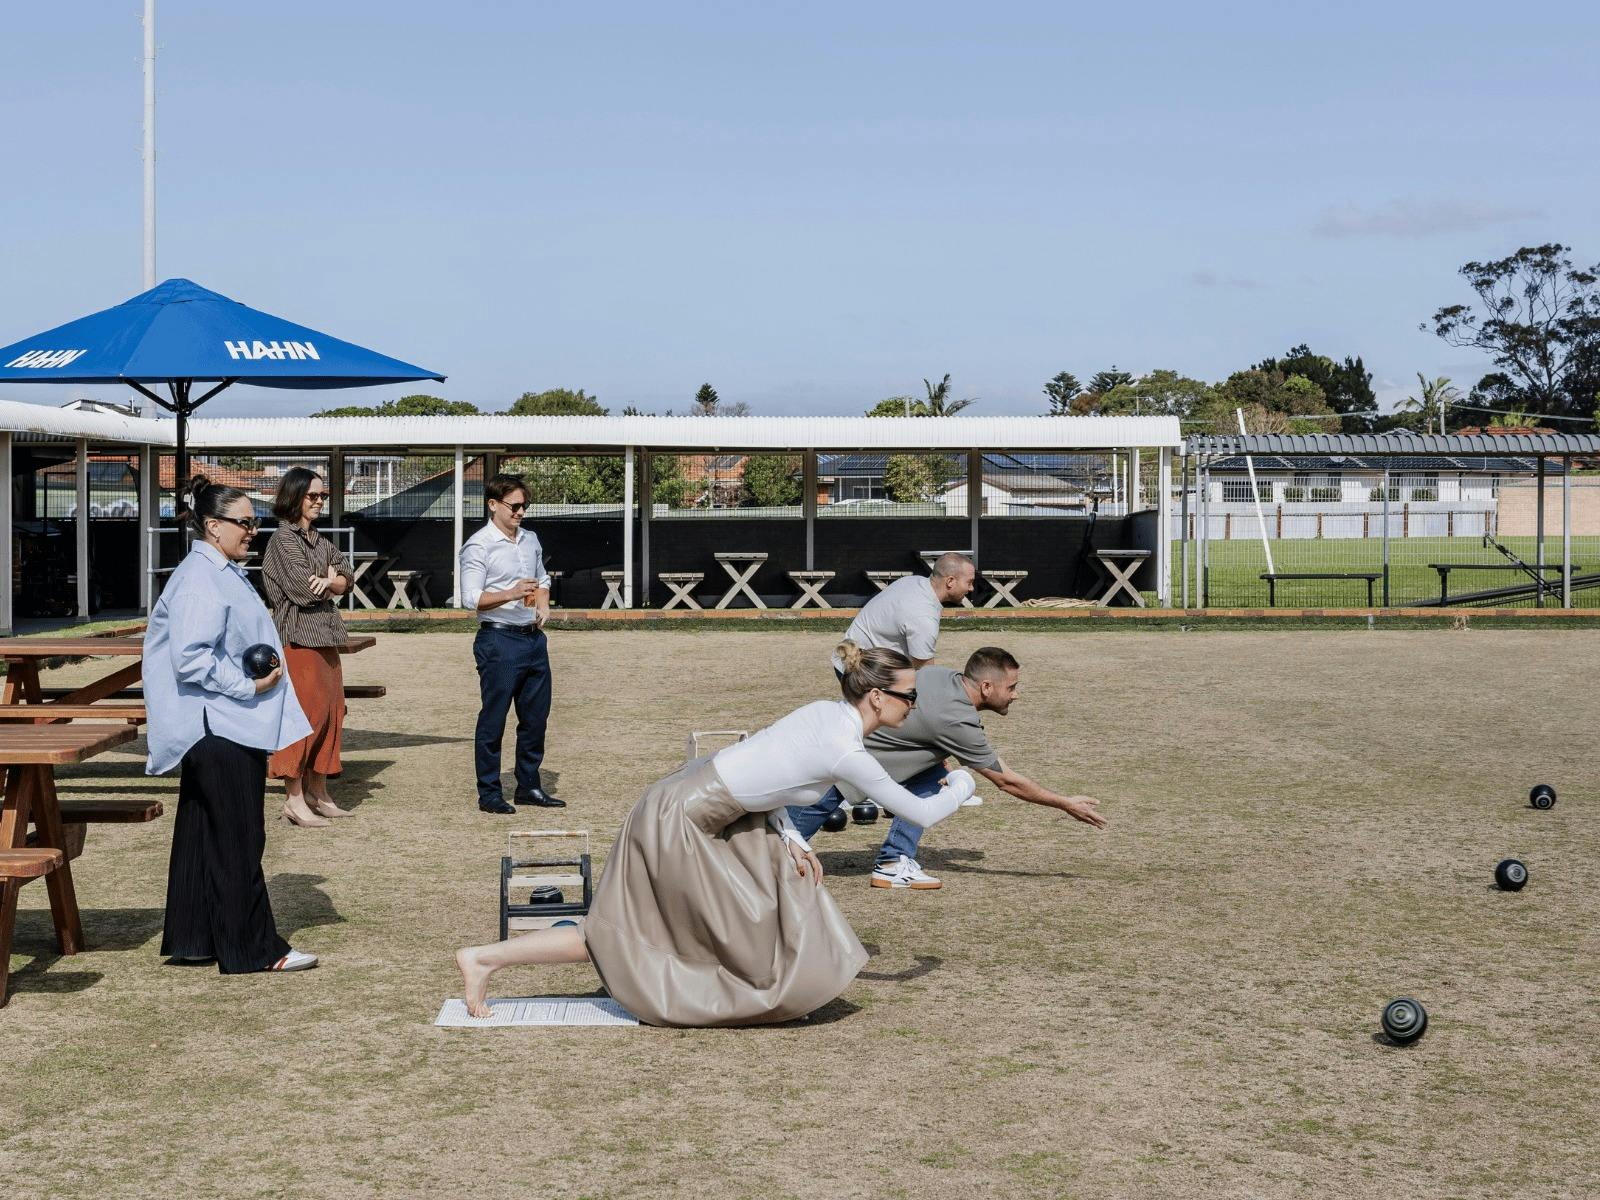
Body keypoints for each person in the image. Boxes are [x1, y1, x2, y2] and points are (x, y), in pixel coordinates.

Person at [454, 641, 977, 1026]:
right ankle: (484, 959)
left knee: (755, 899)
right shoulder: (844, 747)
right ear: (877, 698)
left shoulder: (827, 716)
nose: (915, 706)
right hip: (680, 818)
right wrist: (961, 782)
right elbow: (918, 812)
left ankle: (770, 991)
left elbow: (766, 776)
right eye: (910, 697)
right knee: (623, 933)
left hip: (705, 808)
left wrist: (794, 840)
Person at [143, 474, 319, 973]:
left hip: (214, 726)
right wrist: (252, 687)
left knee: (204, 832)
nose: (253, 531)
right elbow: (191, 659)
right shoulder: (201, 577)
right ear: (213, 526)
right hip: (218, 726)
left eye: (255, 522)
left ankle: (195, 938)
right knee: (239, 836)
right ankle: (255, 949)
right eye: (245, 523)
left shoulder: (214, 570)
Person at [790, 646, 1107, 890]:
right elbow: (1007, 782)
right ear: (986, 687)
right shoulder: (958, 720)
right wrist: (1064, 803)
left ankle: (893, 861)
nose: (1016, 695)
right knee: (777, 848)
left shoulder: (940, 675)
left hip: (841, 755)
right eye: (1011, 687)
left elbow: (921, 730)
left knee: (936, 775)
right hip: (833, 768)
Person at [459, 473, 559, 814]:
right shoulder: (478, 546)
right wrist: (511, 593)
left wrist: (543, 602)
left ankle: (528, 786)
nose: (520, 512)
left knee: (535, 718)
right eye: (514, 506)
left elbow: (542, 578)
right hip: (498, 639)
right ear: (493, 505)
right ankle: (489, 793)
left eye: (524, 506)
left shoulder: (530, 539)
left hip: (533, 640)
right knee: (494, 718)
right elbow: (469, 598)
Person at [262, 466, 354, 828]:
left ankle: (319, 792)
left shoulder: (317, 539)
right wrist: (332, 583)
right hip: (298, 639)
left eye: (322, 496)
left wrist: (334, 582)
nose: (319, 502)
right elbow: (303, 590)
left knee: (332, 713)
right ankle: (294, 799)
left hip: (327, 636)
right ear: (294, 497)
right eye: (312, 496)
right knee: (302, 719)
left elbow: (347, 574)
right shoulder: (283, 541)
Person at [831, 552, 975, 675]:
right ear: (950, 581)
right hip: (858, 669)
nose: (972, 588)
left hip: (849, 657)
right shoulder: (923, 616)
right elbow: (925, 672)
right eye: (969, 582)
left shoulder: (914, 581)